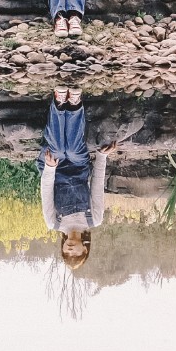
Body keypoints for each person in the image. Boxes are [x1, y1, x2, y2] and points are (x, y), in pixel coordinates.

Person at [41, 87, 114, 269]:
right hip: (79, 167)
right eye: (75, 253)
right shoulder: (94, 219)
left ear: (62, 248)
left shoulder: (53, 223)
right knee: (73, 150)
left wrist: (50, 167)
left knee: (57, 150)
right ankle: (74, 105)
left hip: (53, 170)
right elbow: (97, 187)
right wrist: (102, 157)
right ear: (85, 249)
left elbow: (46, 190)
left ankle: (59, 103)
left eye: (67, 253)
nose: (70, 250)